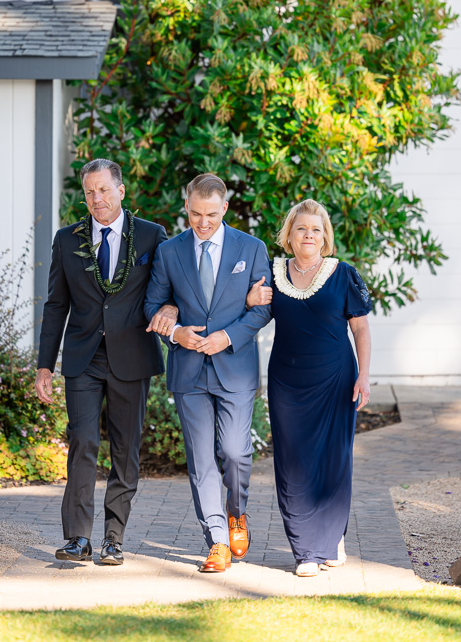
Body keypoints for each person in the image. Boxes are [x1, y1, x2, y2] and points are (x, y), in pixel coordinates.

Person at [35, 158, 175, 566]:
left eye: (103, 190)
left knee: (125, 448)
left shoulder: (151, 236)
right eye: (89, 191)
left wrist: (170, 309)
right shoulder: (67, 239)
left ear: (121, 191)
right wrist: (45, 365)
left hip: (132, 356)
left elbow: (168, 289)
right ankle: (78, 537)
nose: (96, 198)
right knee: (82, 441)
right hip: (82, 358)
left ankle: (114, 538)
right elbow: (56, 304)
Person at [144, 174, 272, 573]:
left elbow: (263, 308)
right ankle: (216, 540)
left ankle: (237, 513)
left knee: (234, 452)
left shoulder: (251, 249)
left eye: (211, 215)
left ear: (225, 209)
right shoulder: (169, 252)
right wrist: (176, 331)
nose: (203, 223)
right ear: (187, 207)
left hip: (234, 367)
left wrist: (228, 337)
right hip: (188, 371)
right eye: (196, 214)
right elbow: (153, 305)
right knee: (201, 460)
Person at [247, 198, 371, 577]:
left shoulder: (343, 273)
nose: (309, 235)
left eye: (316, 229)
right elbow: (248, 314)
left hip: (335, 379)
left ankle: (331, 537)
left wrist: (363, 376)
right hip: (287, 382)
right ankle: (306, 550)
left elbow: (361, 327)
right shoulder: (272, 273)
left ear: (325, 236)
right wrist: (250, 298)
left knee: (334, 460)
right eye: (301, 228)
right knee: (293, 463)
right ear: (289, 234)